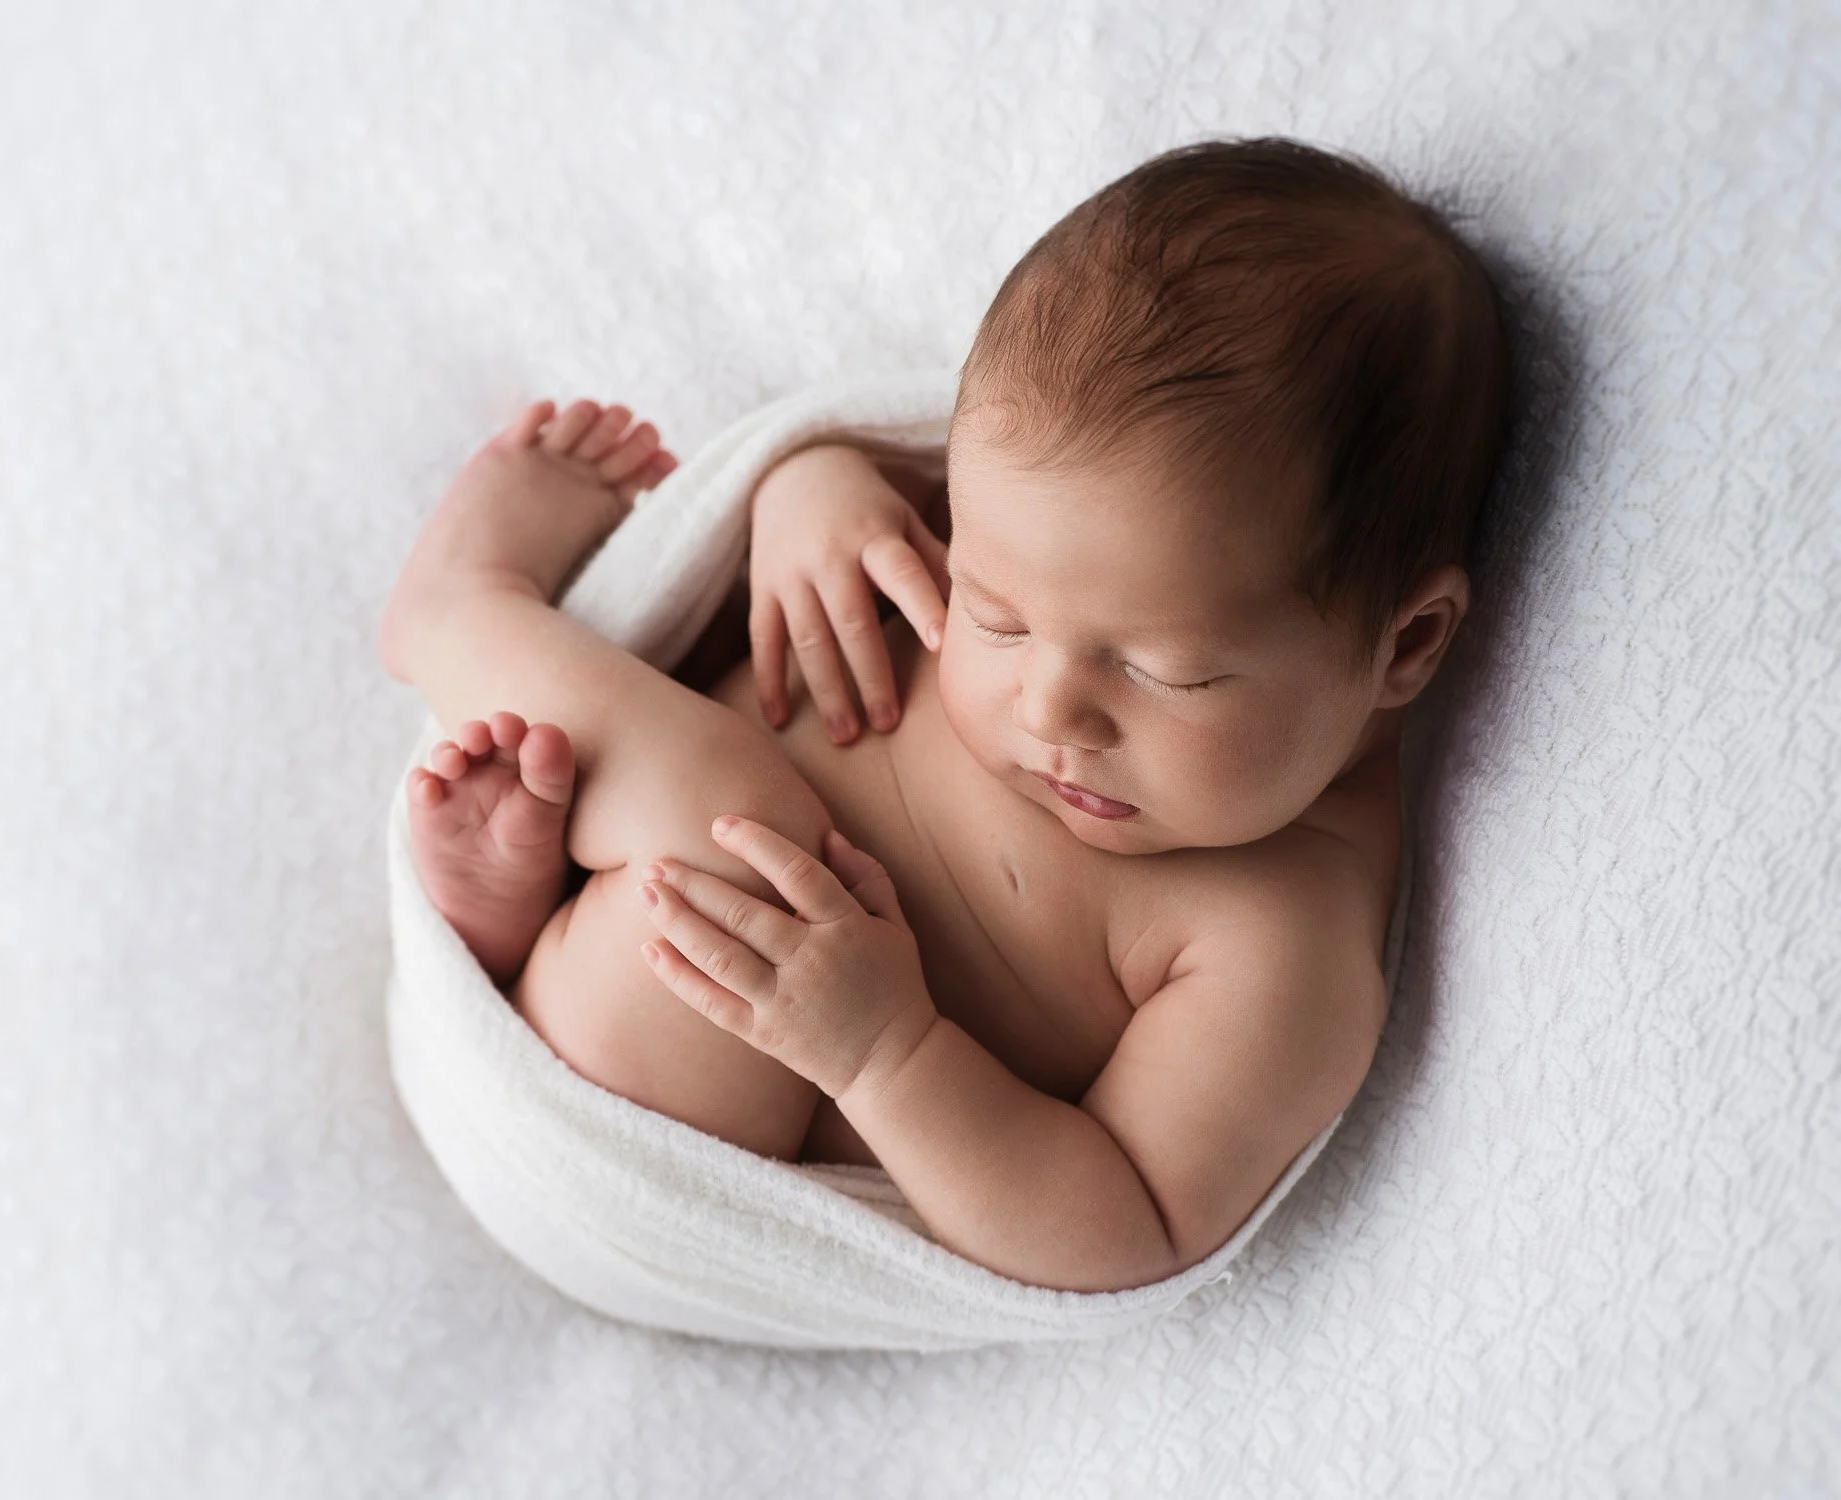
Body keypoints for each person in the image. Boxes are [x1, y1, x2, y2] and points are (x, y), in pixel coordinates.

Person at [376, 138, 1512, 1293]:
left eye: (1166, 673)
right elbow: (874, 498)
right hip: (610, 966)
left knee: (739, 829)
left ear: (1404, 645)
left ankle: (458, 615)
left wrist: (883, 1052)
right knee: (735, 767)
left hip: (657, 1116)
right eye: (995, 612)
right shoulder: (1035, 517)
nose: (1050, 705)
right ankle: (515, 918)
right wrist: (809, 495)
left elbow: (1124, 1224)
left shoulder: (1285, 948)